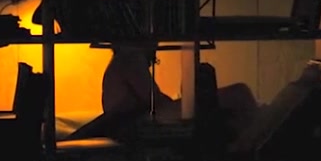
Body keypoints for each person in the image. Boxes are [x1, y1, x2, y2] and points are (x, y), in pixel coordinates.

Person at [101, 42, 259, 127]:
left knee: (232, 107)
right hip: (139, 121)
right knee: (240, 93)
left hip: (139, 120)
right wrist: (181, 103)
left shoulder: (123, 60)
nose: (156, 46)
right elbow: (155, 101)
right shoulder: (130, 58)